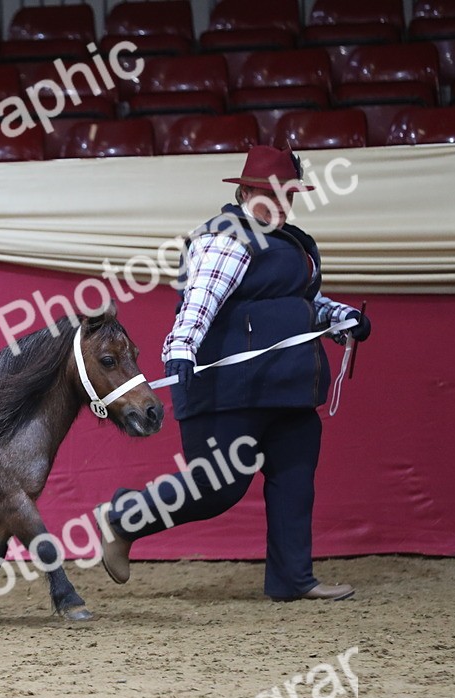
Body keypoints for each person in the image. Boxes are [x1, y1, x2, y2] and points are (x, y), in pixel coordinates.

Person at [94, 145, 371, 601]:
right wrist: (180, 348)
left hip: (289, 387)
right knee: (216, 487)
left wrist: (342, 318)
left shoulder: (293, 244)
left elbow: (301, 307)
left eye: (288, 197)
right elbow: (201, 299)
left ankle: (292, 579)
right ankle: (126, 517)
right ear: (244, 193)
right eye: (271, 197)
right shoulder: (226, 237)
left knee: (295, 477)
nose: (281, 207)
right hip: (229, 389)